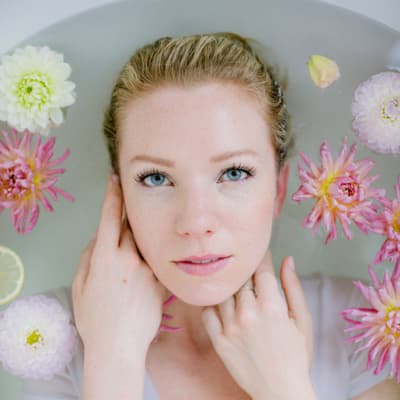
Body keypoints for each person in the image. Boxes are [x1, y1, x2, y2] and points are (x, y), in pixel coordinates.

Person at [22, 32, 399, 400]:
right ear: (119, 197)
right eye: (156, 178)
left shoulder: (363, 321)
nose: (195, 223)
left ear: (279, 188)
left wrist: (284, 388)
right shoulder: (51, 337)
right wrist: (112, 358)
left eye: (234, 173)